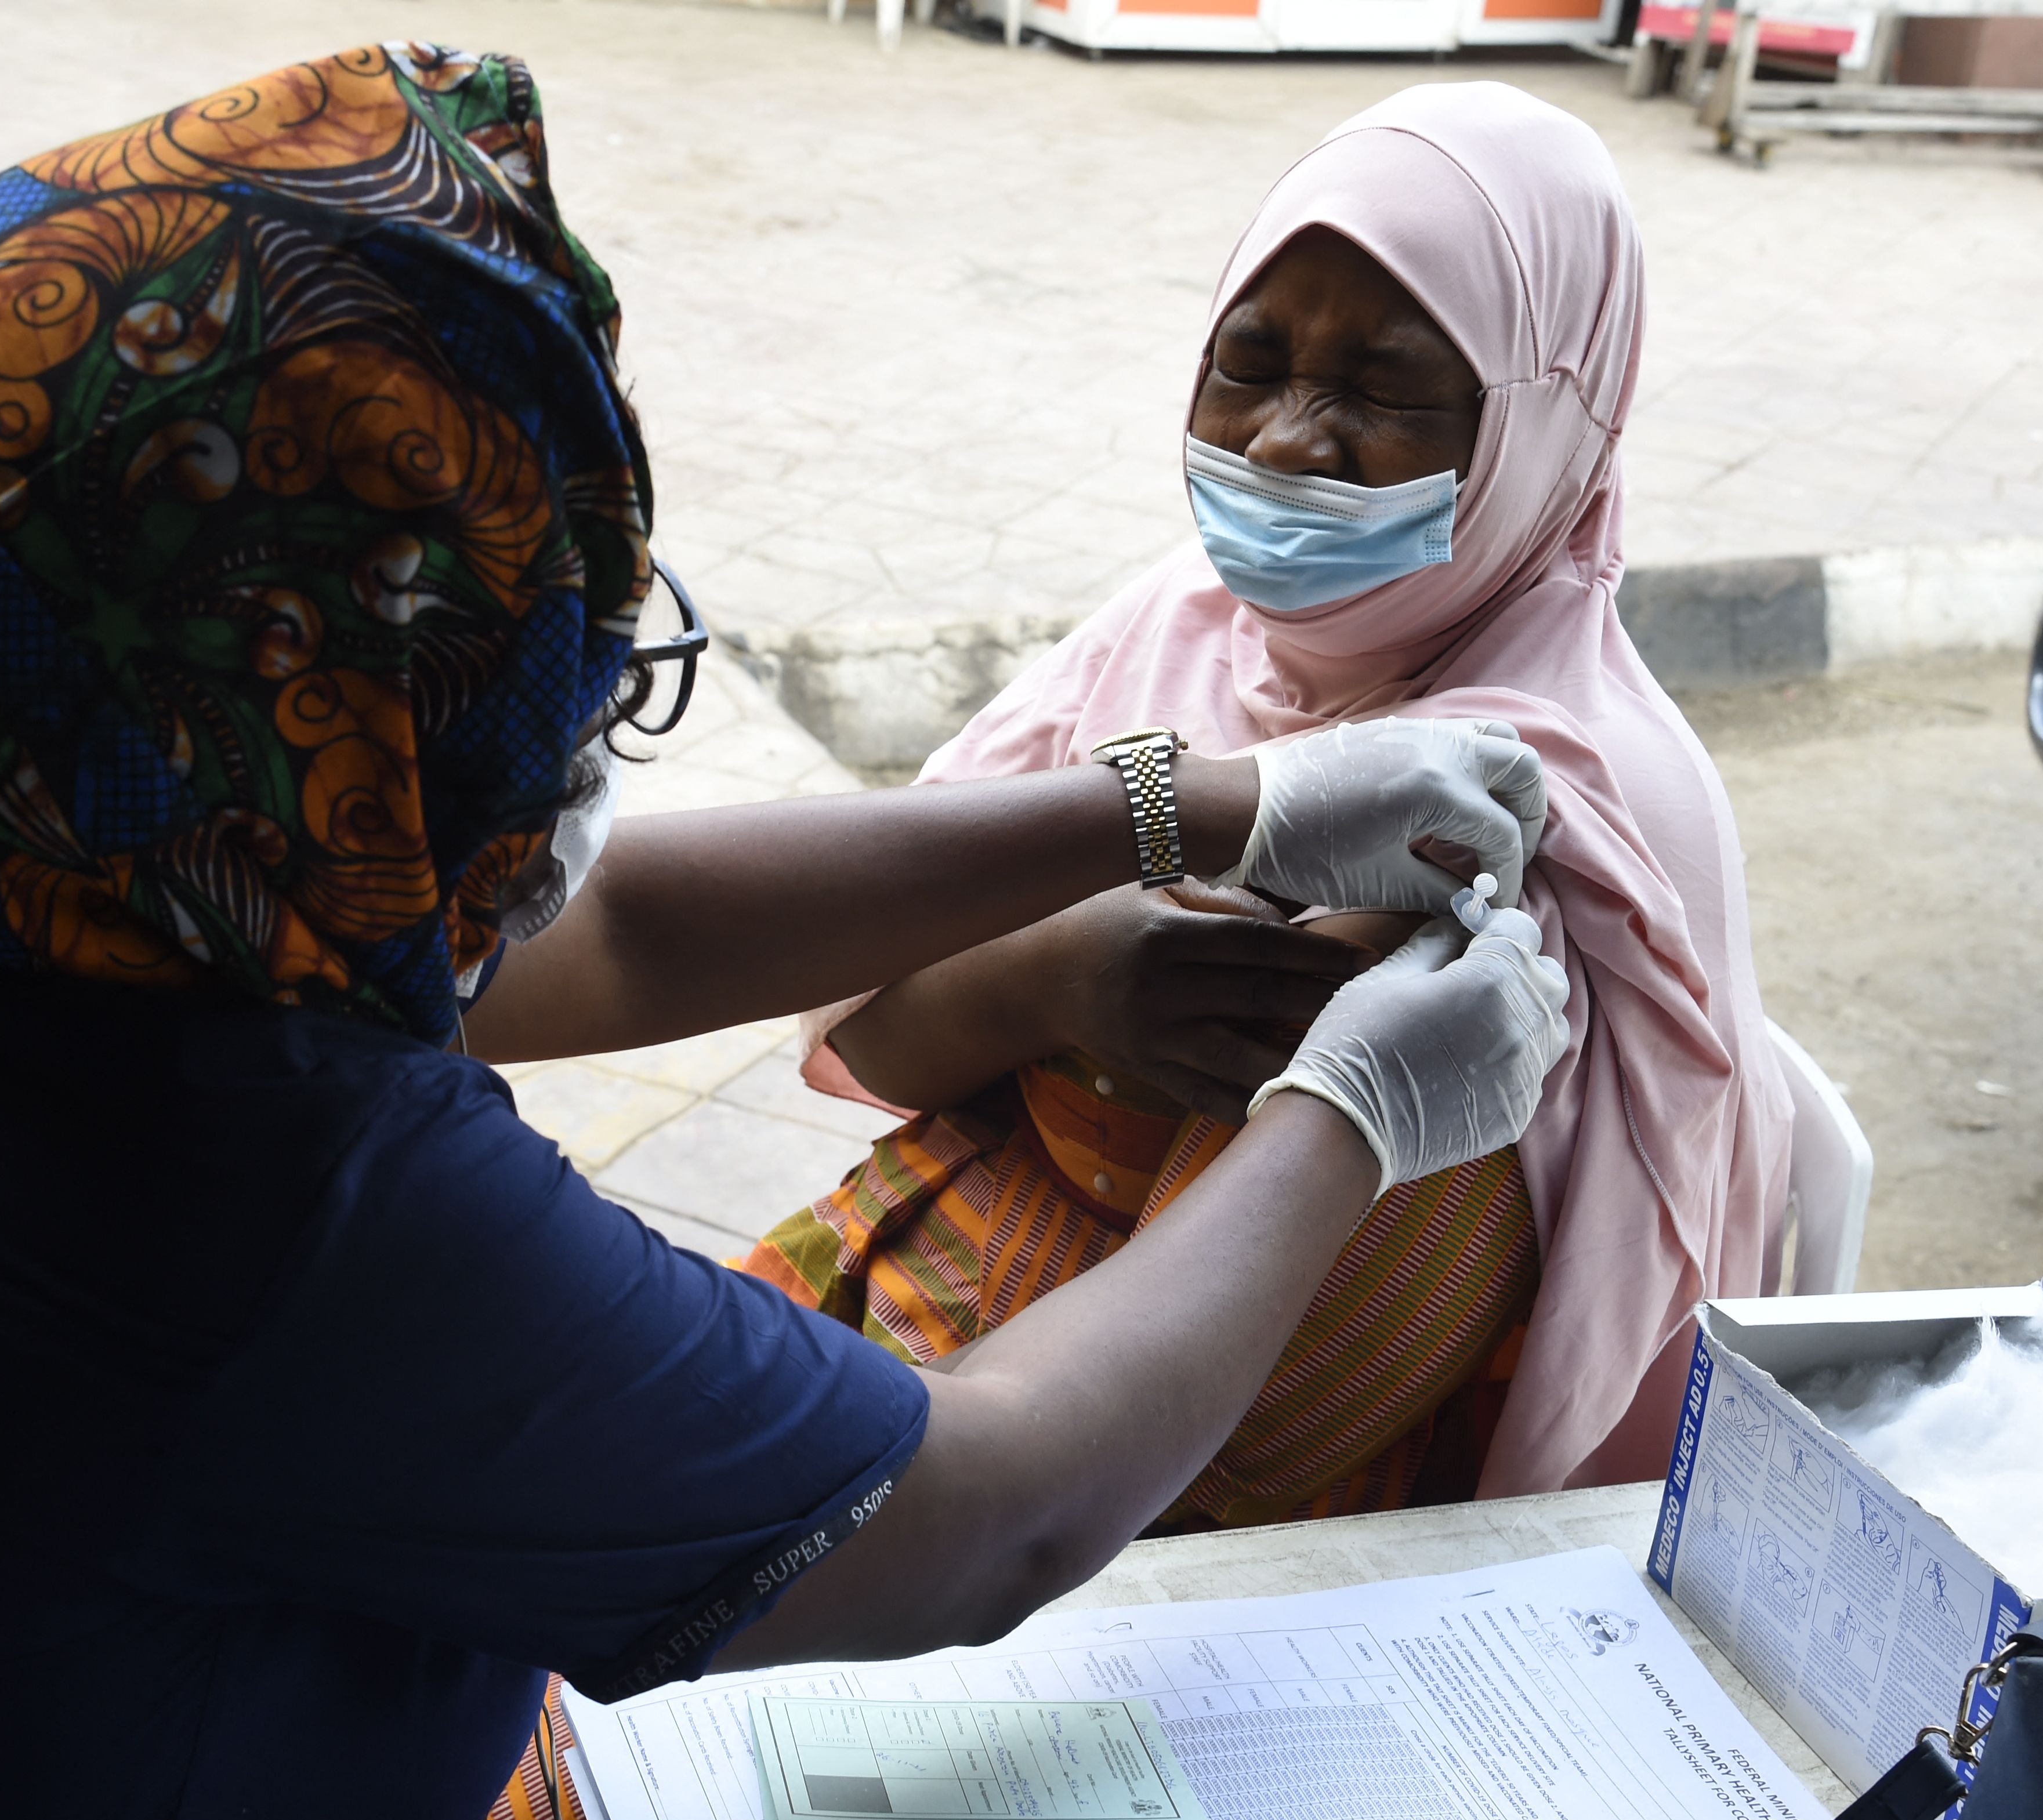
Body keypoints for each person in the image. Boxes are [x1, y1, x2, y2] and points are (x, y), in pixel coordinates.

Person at [0, 45, 1570, 1820]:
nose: (557, 712)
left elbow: (612, 928)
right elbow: (988, 1515)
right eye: (509, 629)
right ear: (291, 679)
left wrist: (1184, 803)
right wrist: (1344, 1113)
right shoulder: (249, 1190)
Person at [753, 82, 1792, 1540]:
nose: (1287, 443)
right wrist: (1065, 967)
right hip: (908, 1321)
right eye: (1248, 363)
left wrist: (1041, 979)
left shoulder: (1541, 829)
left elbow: (1233, 1431)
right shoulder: (1175, 623)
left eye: (1380, 389)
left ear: (1549, 420)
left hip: (1138, 1523)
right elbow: (858, 1015)